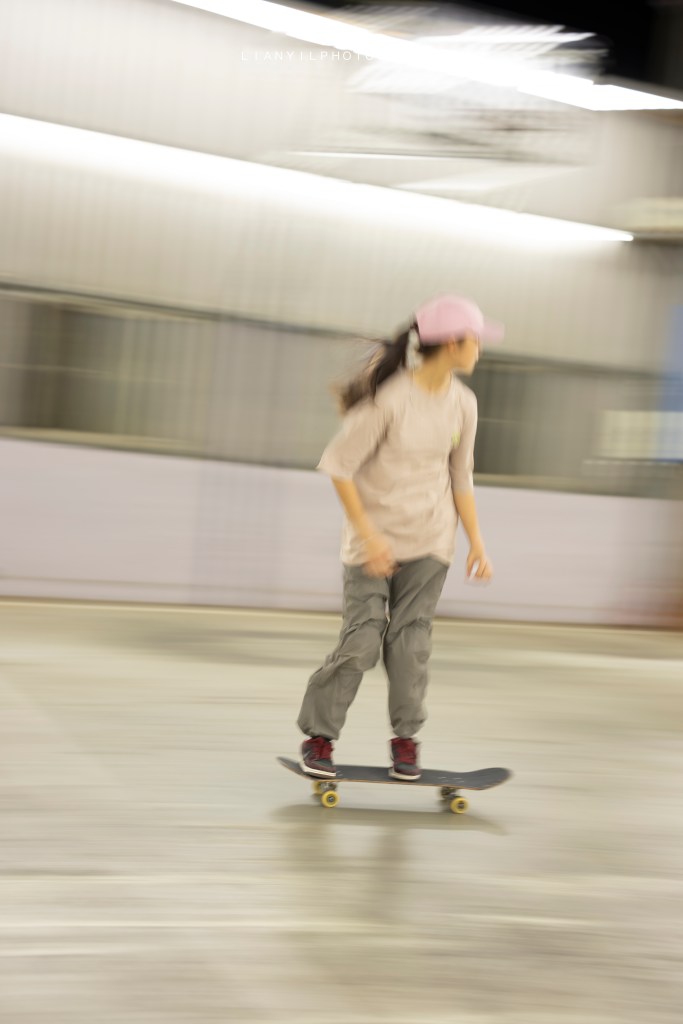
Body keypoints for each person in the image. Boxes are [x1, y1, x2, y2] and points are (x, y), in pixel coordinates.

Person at [297, 294, 504, 780]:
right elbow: (339, 466)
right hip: (373, 545)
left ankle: (406, 740)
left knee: (411, 645)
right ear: (451, 343)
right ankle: (319, 736)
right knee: (362, 641)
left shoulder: (464, 404)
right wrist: (369, 537)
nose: (479, 349)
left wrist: (476, 541)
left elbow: (461, 476)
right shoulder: (390, 399)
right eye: (475, 340)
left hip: (431, 542)